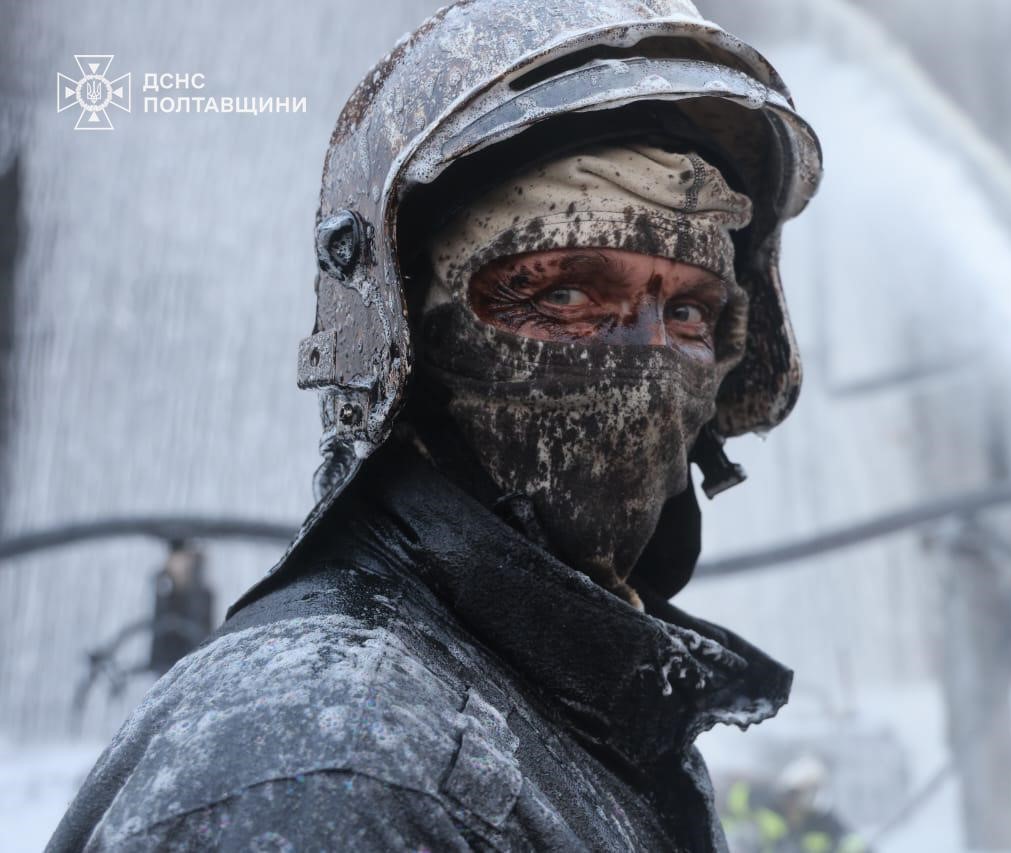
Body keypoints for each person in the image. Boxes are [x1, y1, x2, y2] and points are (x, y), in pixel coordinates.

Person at [47, 0, 821, 849]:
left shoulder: (543, 704)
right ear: (413, 335)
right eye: (564, 293)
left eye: (688, 311)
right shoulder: (332, 767)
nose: (647, 360)